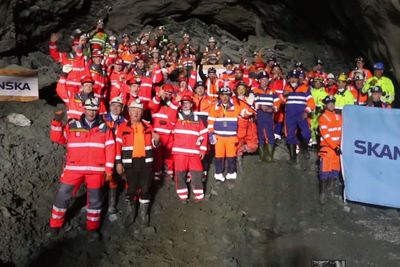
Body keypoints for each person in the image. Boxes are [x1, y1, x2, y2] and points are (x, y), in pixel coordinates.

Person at [48, 97, 115, 240]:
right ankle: (55, 225)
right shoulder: (73, 125)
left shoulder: (104, 128)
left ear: (98, 110)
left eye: (94, 109)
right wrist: (57, 122)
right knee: (62, 195)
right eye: (89, 109)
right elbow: (58, 138)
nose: (91, 112)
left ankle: (92, 228)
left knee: (95, 200)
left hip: (96, 171)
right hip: (74, 169)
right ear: (84, 108)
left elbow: (110, 149)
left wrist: (109, 169)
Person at [115, 99, 160, 226]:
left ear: (142, 113)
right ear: (129, 112)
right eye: (133, 111)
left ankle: (143, 213)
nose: (136, 113)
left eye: (138, 111)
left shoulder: (148, 126)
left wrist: (156, 141)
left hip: (146, 162)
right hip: (130, 163)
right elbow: (117, 147)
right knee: (131, 188)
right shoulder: (122, 128)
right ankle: (131, 212)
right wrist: (118, 163)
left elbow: (154, 145)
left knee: (145, 188)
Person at [208, 87, 252, 182]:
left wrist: (251, 106)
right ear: (219, 96)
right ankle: (219, 173)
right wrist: (211, 134)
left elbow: (245, 114)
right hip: (218, 137)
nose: (224, 97)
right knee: (219, 156)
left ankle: (231, 173)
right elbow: (210, 121)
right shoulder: (214, 107)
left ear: (230, 96)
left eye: (227, 95)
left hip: (231, 137)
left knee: (231, 156)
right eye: (222, 95)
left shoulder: (236, 107)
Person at [172, 95, 208, 203]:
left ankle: (199, 195)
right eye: (183, 103)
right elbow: (169, 118)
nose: (185, 105)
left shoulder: (197, 118)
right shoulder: (176, 116)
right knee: (180, 174)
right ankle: (183, 196)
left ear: (192, 105)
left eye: (188, 103)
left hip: (194, 152)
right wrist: (175, 102)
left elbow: (203, 134)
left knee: (197, 174)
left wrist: (202, 150)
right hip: (180, 153)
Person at [283, 70, 315, 163]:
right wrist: (284, 96)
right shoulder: (286, 89)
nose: (293, 80)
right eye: (291, 78)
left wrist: (307, 111)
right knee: (290, 135)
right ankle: (293, 157)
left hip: (302, 115)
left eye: (295, 78)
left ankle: (304, 149)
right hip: (290, 116)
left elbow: (311, 103)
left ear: (298, 79)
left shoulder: (305, 88)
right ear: (289, 79)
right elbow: (280, 102)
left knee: (306, 133)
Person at [103, 96, 127, 218]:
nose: (116, 108)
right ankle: (92, 204)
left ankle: (111, 205)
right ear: (110, 106)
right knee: (96, 180)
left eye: (119, 106)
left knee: (113, 179)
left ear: (122, 108)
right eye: (114, 105)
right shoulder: (101, 119)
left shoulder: (125, 123)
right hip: (102, 154)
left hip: (117, 154)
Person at [318, 95, 342, 204]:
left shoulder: (339, 117)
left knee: (334, 173)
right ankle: (322, 194)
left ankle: (329, 191)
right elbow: (326, 135)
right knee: (324, 173)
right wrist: (335, 147)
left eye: (333, 103)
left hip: (337, 150)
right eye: (329, 103)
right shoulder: (323, 117)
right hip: (328, 150)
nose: (331, 105)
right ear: (325, 105)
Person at [253, 72, 280, 162]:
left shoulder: (272, 91)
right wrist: (260, 106)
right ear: (259, 81)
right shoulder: (255, 90)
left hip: (269, 115)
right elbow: (252, 102)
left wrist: (273, 109)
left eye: (266, 79)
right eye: (262, 79)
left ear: (268, 80)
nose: (264, 81)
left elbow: (277, 102)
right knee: (260, 135)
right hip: (259, 115)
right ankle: (261, 156)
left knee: (270, 134)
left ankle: (270, 156)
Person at [310, 76, 328, 147]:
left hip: (320, 115)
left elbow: (327, 105)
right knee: (310, 128)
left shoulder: (324, 94)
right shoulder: (310, 92)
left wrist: (321, 107)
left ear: (321, 84)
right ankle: (313, 143)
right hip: (311, 114)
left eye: (319, 83)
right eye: (316, 83)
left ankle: (320, 145)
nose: (317, 84)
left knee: (318, 129)